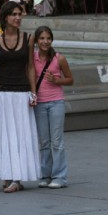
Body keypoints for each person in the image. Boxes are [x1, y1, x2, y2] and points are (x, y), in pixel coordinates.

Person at [0, 1, 40, 193]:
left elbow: (30, 67)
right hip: (0, 93)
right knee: (4, 135)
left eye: (20, 14)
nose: (18, 18)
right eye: (14, 14)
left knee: (21, 135)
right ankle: (7, 175)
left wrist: (33, 92)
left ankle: (17, 177)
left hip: (21, 92)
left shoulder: (28, 39)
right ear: (5, 17)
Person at [34, 26, 74, 189]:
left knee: (57, 141)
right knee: (44, 141)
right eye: (42, 38)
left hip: (56, 102)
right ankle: (45, 175)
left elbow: (70, 79)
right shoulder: (33, 58)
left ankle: (60, 176)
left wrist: (56, 81)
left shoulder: (59, 58)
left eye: (48, 38)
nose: (45, 42)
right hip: (40, 104)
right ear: (37, 41)